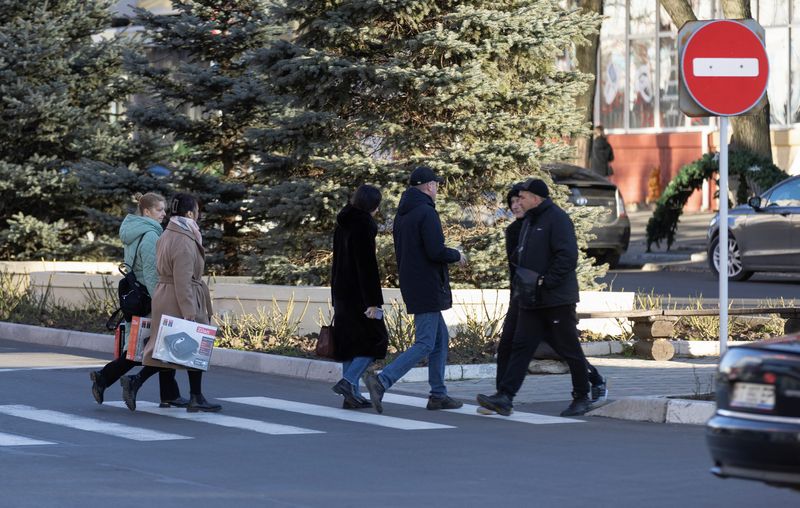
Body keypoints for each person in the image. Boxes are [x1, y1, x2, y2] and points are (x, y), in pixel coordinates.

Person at [477, 178, 605, 417]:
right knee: (521, 346)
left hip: (556, 299)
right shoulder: (529, 221)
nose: (518, 201)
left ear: (536, 198)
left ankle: (581, 397)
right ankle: (505, 396)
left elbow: (567, 257)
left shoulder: (557, 219)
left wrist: (546, 281)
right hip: (530, 299)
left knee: (569, 348)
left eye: (522, 197)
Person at [365, 166, 467, 414]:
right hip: (428, 286)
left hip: (414, 283)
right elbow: (435, 251)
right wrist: (457, 255)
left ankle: (438, 395)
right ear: (430, 186)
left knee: (440, 340)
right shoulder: (426, 213)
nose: (438, 189)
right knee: (425, 343)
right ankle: (383, 380)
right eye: (437, 185)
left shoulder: (404, 214)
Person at [122, 193, 221, 413]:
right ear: (189, 213)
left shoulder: (167, 233)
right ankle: (195, 396)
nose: (198, 215)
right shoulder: (185, 239)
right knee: (195, 345)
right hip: (181, 297)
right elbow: (183, 278)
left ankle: (141, 383)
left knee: (167, 350)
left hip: (165, 295)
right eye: (197, 211)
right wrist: (189, 311)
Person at [89, 193, 187, 408]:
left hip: (136, 295)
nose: (164, 214)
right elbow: (152, 274)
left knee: (157, 345)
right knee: (152, 347)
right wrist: (161, 301)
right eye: (160, 210)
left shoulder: (134, 231)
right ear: (146, 212)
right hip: (149, 297)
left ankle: (168, 393)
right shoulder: (150, 235)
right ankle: (105, 377)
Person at [330, 184, 389, 409]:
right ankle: (348, 382)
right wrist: (374, 301)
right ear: (372, 205)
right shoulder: (364, 225)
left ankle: (351, 396)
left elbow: (337, 263)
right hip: (360, 296)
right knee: (376, 341)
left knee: (349, 344)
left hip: (342, 292)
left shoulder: (342, 223)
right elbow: (367, 266)